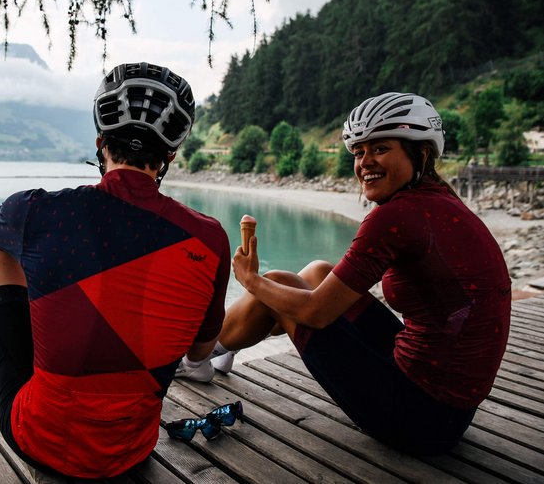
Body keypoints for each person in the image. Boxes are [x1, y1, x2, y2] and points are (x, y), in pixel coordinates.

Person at [179, 92, 511, 455]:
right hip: (451, 407)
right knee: (320, 271)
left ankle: (196, 359)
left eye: (380, 149)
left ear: (422, 153)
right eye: (358, 152)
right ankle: (226, 346)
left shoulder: (396, 216)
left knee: (277, 285)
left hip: (420, 417)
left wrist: (249, 280)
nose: (365, 162)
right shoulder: (440, 200)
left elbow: (315, 313)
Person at [0, 62, 230, 478]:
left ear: (100, 143)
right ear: (170, 155)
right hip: (132, 449)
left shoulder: (39, 210)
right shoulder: (211, 239)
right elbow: (199, 353)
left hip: (40, 440)